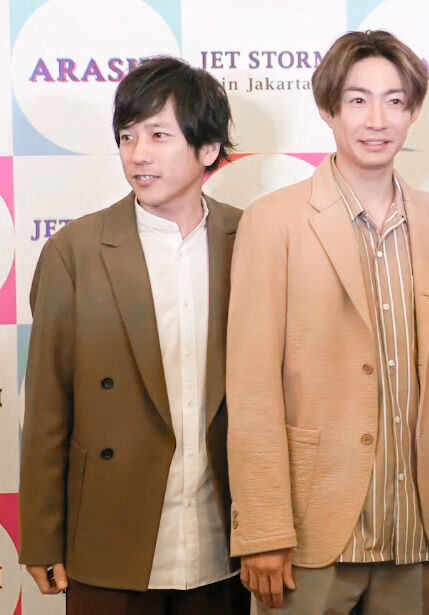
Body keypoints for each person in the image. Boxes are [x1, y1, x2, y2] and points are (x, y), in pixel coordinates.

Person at [225, 30, 429, 614]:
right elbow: (251, 386)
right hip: (309, 534)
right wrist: (263, 529)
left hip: (417, 531)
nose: (376, 120)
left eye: (394, 101)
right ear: (328, 108)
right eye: (357, 100)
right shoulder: (273, 221)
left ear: (414, 112)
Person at [19, 56, 247, 614]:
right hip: (109, 535)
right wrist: (42, 535)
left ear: (208, 149)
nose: (137, 154)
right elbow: (47, 403)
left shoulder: (250, 238)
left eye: (159, 135)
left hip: (225, 539)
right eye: (127, 136)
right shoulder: (75, 251)